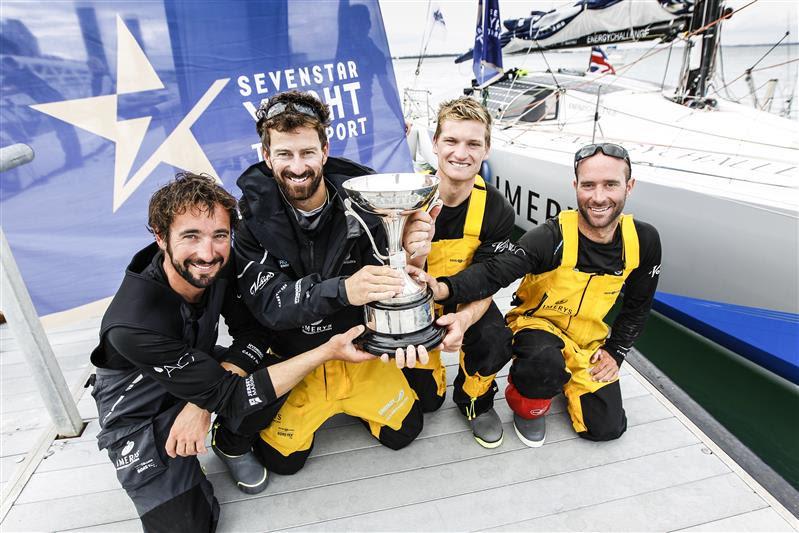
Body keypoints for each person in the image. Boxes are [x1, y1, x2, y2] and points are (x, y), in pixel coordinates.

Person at [90, 173, 375, 533]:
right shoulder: (133, 323)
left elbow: (254, 330)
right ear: (160, 237)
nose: (207, 253)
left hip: (199, 366)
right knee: (191, 526)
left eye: (219, 236)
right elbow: (233, 395)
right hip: (139, 403)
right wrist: (327, 351)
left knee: (276, 359)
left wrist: (200, 404)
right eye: (190, 236)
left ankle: (230, 444)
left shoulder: (222, 264)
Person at [233, 90, 460, 475]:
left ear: (324, 150)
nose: (297, 166)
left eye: (307, 152)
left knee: (406, 430)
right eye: (285, 155)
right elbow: (269, 305)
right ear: (266, 156)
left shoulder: (368, 195)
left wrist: (412, 250)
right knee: (283, 462)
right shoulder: (249, 220)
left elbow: (395, 280)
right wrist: (343, 289)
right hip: (300, 357)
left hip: (360, 349)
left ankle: (364, 393)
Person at [413, 143, 662, 447]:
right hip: (537, 326)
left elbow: (638, 305)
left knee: (606, 428)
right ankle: (526, 403)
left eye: (610, 184)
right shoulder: (550, 237)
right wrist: (444, 288)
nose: (598, 197)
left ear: (629, 186)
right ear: (576, 187)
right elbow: (496, 271)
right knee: (543, 363)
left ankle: (565, 376)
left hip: (588, 340)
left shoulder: (645, 240)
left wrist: (617, 350)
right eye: (588, 185)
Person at [400, 97, 515, 448]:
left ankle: (475, 399)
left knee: (496, 337)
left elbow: (489, 279)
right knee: (427, 401)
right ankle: (429, 377)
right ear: (435, 143)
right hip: (411, 300)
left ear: (486, 148)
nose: (461, 153)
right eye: (451, 141)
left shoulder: (496, 207)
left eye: (473, 143)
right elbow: (390, 277)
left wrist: (463, 321)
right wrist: (413, 255)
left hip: (462, 295)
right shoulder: (405, 196)